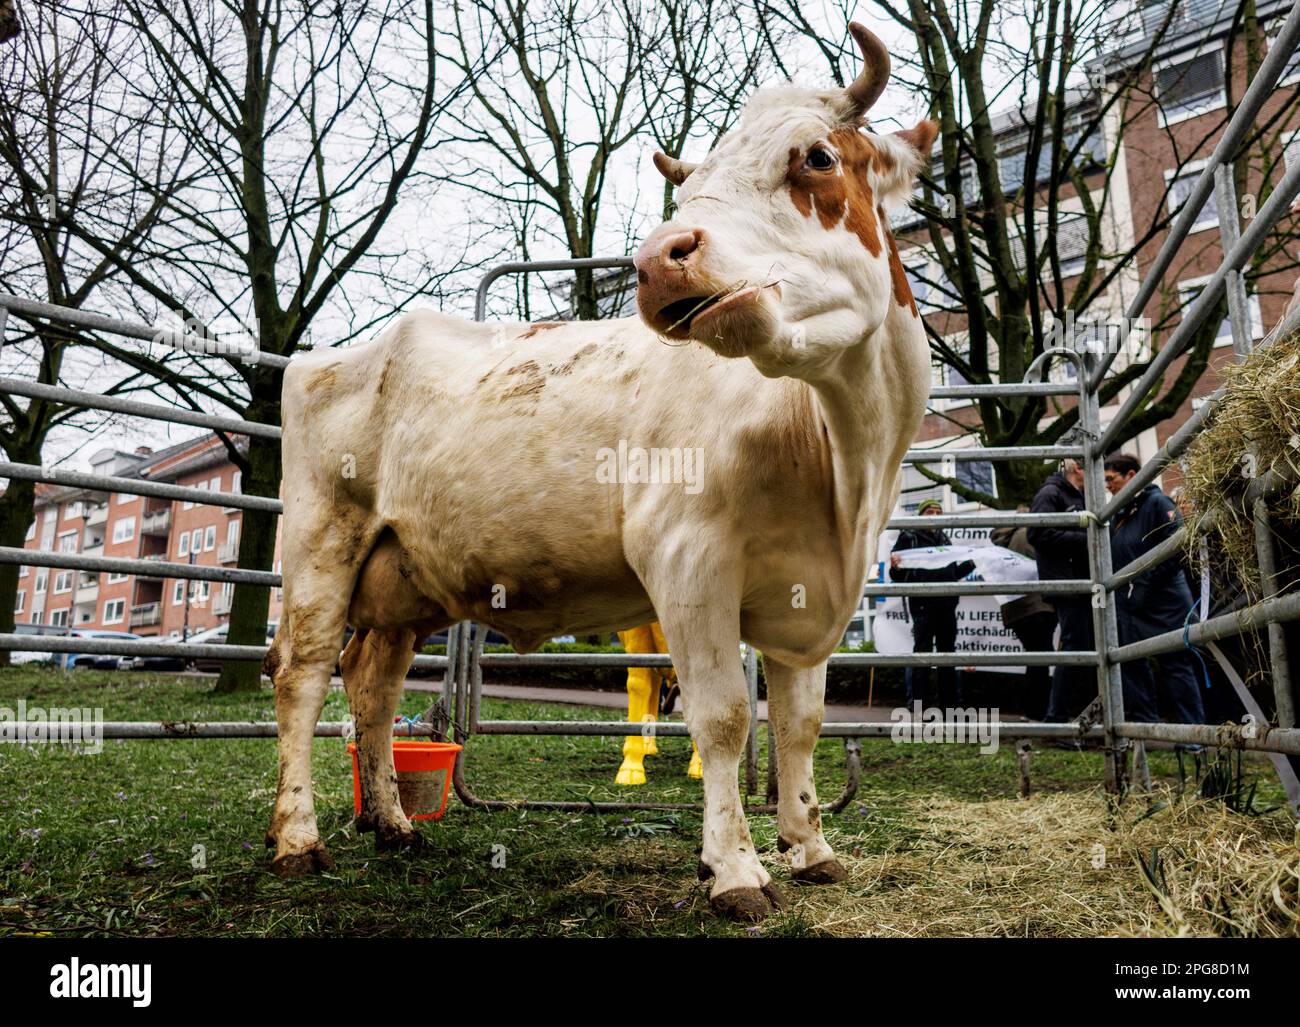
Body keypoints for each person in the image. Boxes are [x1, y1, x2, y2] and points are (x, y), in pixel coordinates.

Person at [1104, 454, 1205, 726]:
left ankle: (1193, 732)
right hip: (1132, 603)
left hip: (1164, 602)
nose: (1108, 486)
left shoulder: (1158, 504)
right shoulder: (1121, 512)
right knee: (1131, 663)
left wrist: (1144, 586)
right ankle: (1145, 726)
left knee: (1175, 665)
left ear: (1132, 475)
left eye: (1111, 479)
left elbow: (1176, 549)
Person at [1026, 458, 1095, 722]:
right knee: (1076, 646)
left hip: (1081, 583)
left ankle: (1083, 715)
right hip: (1068, 584)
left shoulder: (1079, 495)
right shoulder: (1051, 493)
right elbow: (1037, 533)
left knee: (1085, 647)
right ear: (1079, 468)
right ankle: (1057, 718)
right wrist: (1088, 538)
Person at [889, 499, 976, 709]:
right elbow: (896, 575)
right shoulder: (909, 537)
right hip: (922, 606)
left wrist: (973, 562)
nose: (935, 516)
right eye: (930, 511)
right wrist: (897, 567)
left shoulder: (945, 540)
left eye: (939, 512)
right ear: (921, 515)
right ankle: (919, 707)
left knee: (947, 655)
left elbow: (953, 573)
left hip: (947, 606)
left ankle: (949, 707)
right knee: (922, 656)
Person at [991, 507, 1057, 720]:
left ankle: (1033, 710)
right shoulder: (1028, 534)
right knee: (1040, 659)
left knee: (1034, 658)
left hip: (1017, 608)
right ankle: (1037, 712)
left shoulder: (1006, 540)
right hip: (1037, 604)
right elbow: (1043, 565)